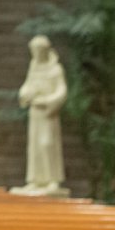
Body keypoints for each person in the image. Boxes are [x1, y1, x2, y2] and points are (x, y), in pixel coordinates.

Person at [14, 34, 69, 196]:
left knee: (47, 143)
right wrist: (26, 94)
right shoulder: (34, 67)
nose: (36, 54)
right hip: (35, 113)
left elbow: (61, 91)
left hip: (47, 113)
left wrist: (46, 100)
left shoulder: (55, 69)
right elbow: (27, 86)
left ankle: (52, 180)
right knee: (34, 146)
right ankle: (35, 180)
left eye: (38, 50)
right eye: (33, 51)